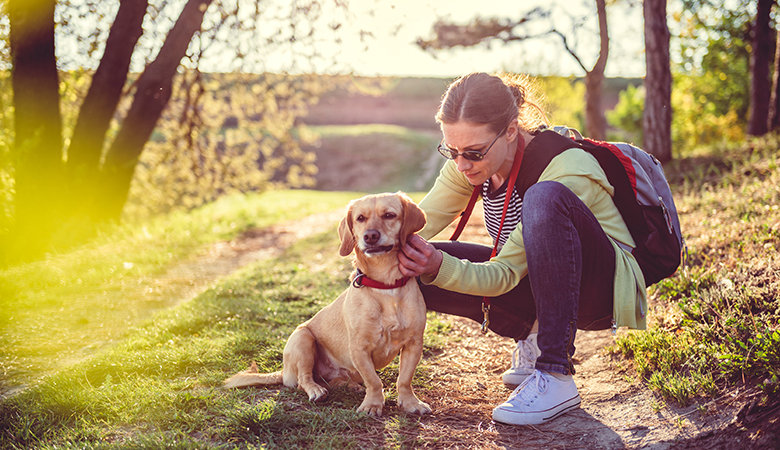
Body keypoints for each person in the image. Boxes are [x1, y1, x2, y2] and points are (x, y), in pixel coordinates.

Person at [397, 72, 647, 426]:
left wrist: (440, 265)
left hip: (598, 291)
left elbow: (503, 275)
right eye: (451, 151)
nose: (461, 164)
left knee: (543, 198)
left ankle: (556, 373)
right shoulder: (469, 165)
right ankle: (532, 333)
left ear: (511, 131)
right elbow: (413, 226)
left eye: (473, 152)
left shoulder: (564, 169)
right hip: (538, 279)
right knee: (406, 262)